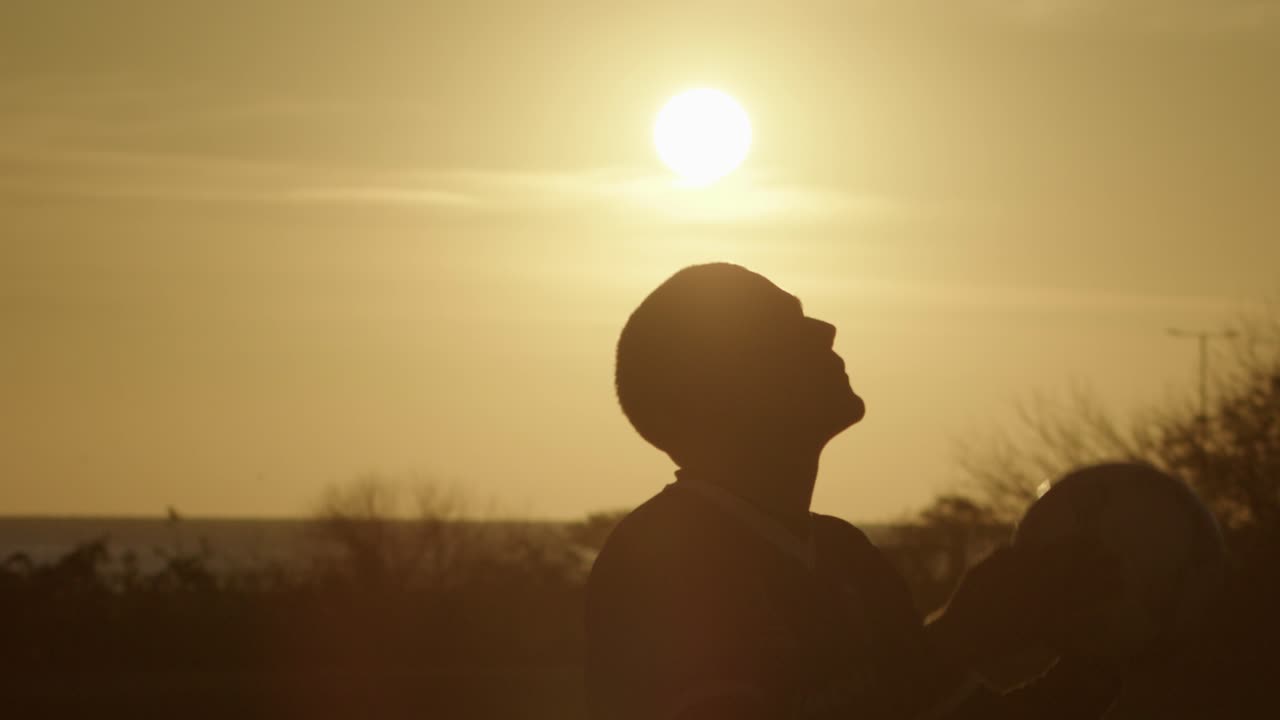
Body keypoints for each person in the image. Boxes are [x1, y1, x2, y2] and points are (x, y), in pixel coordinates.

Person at [585, 263, 1122, 720]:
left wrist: (1110, 652)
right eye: (783, 326)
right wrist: (958, 639)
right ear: (717, 384)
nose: (825, 330)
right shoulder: (659, 560)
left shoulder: (850, 559)